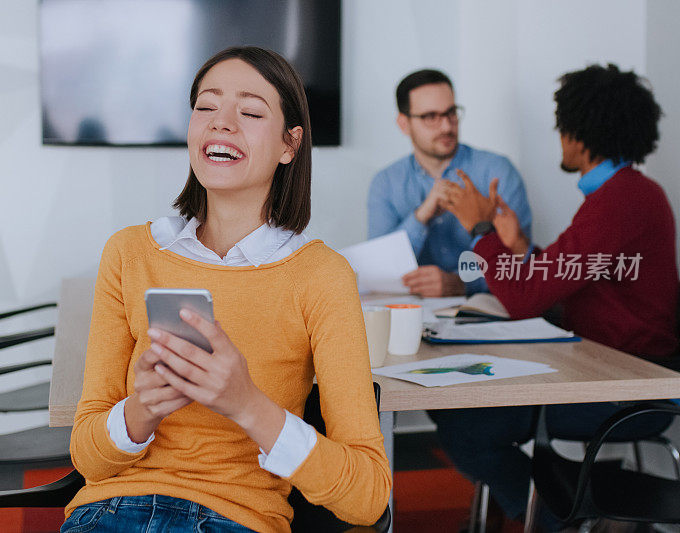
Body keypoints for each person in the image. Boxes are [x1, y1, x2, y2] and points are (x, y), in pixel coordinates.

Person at [62, 46, 391, 533]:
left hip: (237, 519)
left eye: (251, 111)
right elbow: (89, 459)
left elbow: (367, 497)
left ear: (289, 145)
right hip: (111, 512)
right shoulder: (130, 253)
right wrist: (141, 411)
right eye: (206, 107)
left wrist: (246, 404)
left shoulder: (322, 275)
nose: (221, 122)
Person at [429, 63, 679, 530]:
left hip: (628, 387)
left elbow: (526, 299)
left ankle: (553, 522)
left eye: (562, 127)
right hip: (605, 369)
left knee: (467, 426)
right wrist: (522, 248)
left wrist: (481, 229)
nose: (559, 137)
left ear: (579, 135)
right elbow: (579, 276)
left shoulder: (620, 199)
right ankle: (565, 511)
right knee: (459, 407)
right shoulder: (627, 194)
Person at [368, 69, 533, 296]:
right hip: (415, 315)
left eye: (451, 113)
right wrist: (421, 216)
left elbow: (520, 262)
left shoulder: (497, 171)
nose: (446, 126)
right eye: (430, 117)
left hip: (490, 315)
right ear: (404, 124)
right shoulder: (385, 183)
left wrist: (460, 283)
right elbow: (377, 272)